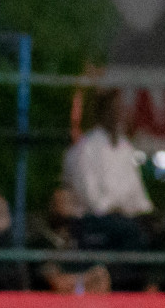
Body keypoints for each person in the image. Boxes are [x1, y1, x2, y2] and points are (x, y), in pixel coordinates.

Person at [62, 88, 152, 290]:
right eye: (115, 109)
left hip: (125, 221)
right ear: (103, 112)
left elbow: (139, 196)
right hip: (93, 221)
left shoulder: (125, 148)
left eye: (122, 108)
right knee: (131, 235)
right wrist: (119, 207)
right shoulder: (86, 148)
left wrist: (141, 212)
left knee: (150, 234)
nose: (120, 113)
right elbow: (92, 199)